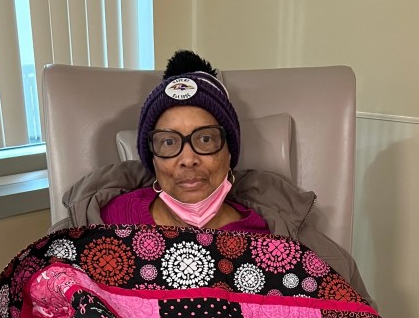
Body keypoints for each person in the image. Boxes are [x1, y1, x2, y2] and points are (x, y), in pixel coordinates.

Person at [55, 50, 372, 298]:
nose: (188, 159)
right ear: (152, 158)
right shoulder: (102, 222)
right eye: (169, 142)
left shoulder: (275, 234)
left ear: (229, 152)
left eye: (205, 139)